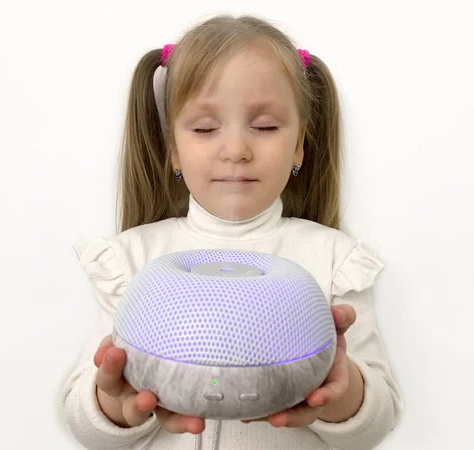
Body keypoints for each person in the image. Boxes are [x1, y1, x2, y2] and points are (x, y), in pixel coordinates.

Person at [61, 14, 403, 450]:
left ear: (299, 144)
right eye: (205, 129)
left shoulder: (334, 262)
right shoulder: (133, 260)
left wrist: (342, 394)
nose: (237, 150)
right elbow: (84, 421)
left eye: (264, 127)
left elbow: (377, 422)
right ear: (174, 151)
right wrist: (117, 406)